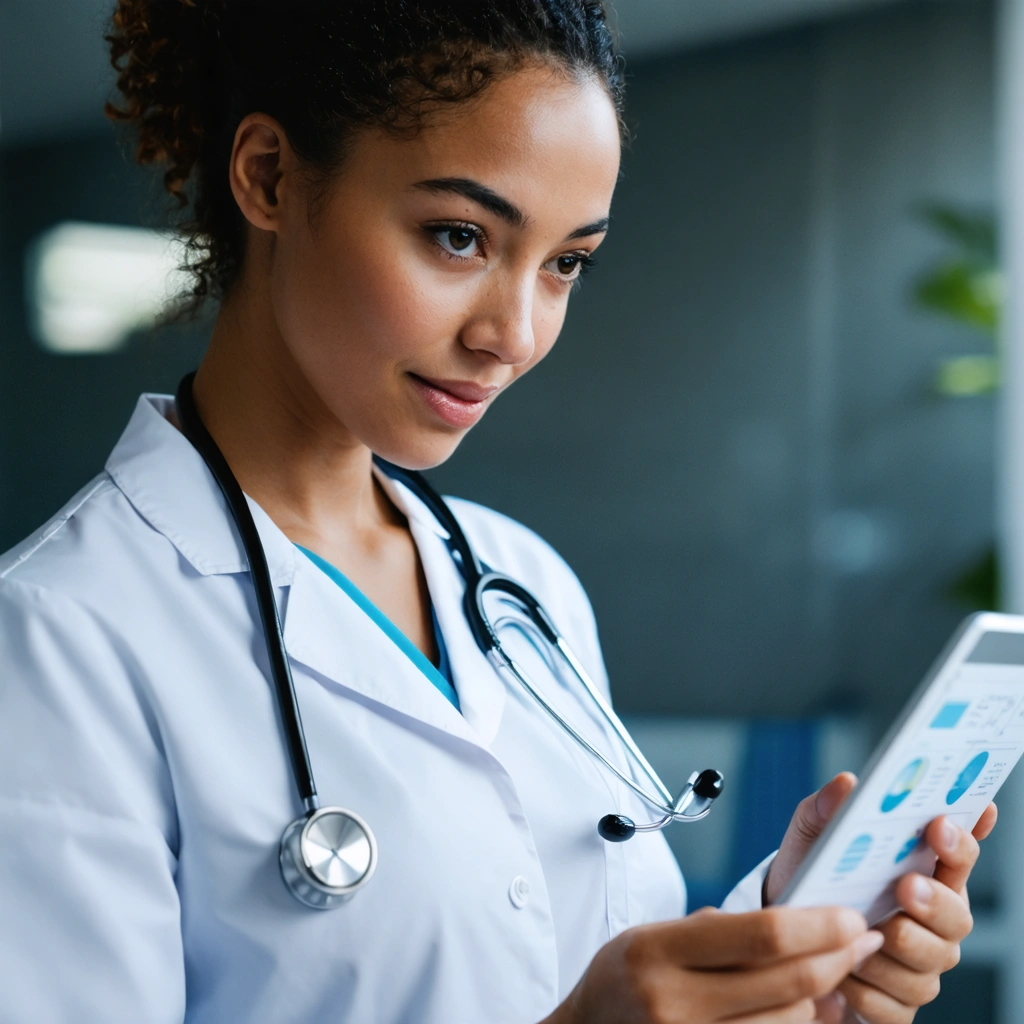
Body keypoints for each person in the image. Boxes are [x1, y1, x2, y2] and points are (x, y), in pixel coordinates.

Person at [0, 3, 994, 1022]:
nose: (512, 335)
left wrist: (791, 957)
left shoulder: (521, 584)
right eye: (459, 236)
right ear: (268, 175)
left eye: (566, 262)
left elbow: (568, 964)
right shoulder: (58, 637)